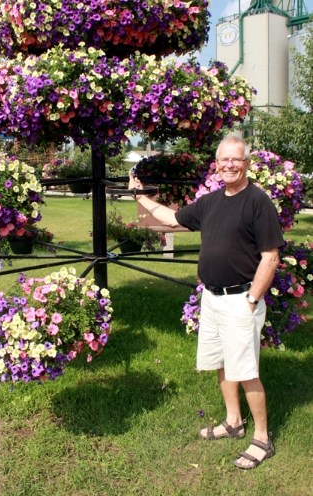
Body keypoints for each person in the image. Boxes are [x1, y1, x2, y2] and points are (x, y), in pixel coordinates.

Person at [129, 134, 284, 470]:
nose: (229, 165)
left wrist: (253, 299)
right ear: (217, 164)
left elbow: (270, 256)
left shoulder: (258, 202)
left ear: (246, 164)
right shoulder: (212, 201)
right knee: (223, 363)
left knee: (245, 371)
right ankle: (233, 422)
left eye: (236, 160)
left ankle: (262, 438)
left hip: (241, 300)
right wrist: (140, 195)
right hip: (212, 299)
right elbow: (172, 218)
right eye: (224, 160)